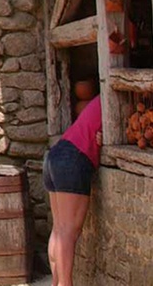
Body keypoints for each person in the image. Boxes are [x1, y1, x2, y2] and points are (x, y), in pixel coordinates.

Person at [44, 95, 102, 286]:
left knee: (59, 228)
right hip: (74, 157)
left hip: (55, 154)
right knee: (69, 231)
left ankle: (57, 282)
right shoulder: (121, 103)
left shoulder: (98, 101)